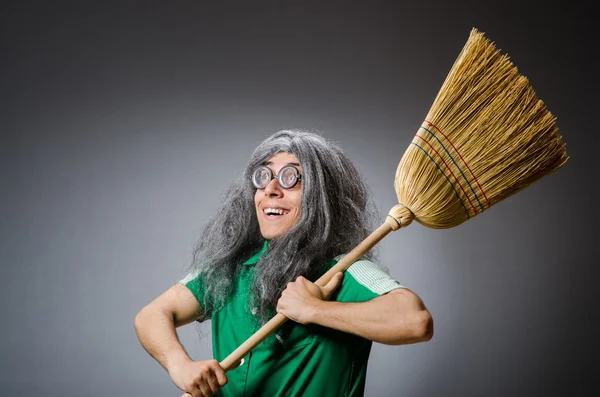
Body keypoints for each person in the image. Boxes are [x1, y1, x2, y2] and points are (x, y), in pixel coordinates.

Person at [134, 129, 433, 397]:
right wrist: (179, 365)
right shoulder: (229, 269)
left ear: (321, 198)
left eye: (291, 178)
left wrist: (315, 309)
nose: (270, 190)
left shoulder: (344, 269)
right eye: (263, 177)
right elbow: (152, 314)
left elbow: (415, 321)